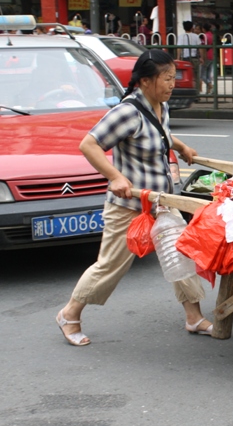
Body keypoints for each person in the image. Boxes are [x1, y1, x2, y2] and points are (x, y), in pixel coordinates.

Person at [55, 49, 207, 347]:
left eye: (173, 77)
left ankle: (193, 317)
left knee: (181, 255)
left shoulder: (160, 106)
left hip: (161, 201)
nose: (172, 83)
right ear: (146, 80)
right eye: (166, 78)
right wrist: (115, 176)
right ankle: (69, 314)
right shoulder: (128, 112)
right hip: (129, 207)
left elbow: (160, 133)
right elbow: (89, 145)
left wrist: (180, 146)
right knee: (111, 265)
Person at [178, 21, 201, 93]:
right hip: (194, 58)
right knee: (196, 76)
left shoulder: (181, 36)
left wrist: (178, 58)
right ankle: (197, 94)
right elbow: (200, 48)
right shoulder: (196, 36)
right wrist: (201, 57)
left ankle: (187, 92)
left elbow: (179, 48)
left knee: (186, 76)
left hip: (185, 59)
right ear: (192, 28)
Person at [200, 23, 215, 94]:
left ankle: (210, 85)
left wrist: (202, 57)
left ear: (204, 29)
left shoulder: (204, 36)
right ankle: (209, 90)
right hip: (212, 55)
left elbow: (203, 47)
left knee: (202, 74)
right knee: (208, 74)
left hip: (206, 55)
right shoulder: (212, 35)